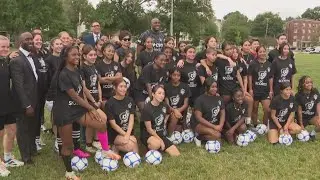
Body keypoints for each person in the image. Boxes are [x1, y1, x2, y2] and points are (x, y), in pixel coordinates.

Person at [52, 46, 120, 179]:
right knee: (68, 146)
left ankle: (105, 150)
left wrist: (93, 104)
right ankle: (69, 173)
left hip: (77, 109)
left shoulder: (76, 70)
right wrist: (90, 108)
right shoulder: (63, 74)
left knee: (101, 123)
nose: (77, 57)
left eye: (78, 55)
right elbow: (74, 96)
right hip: (64, 112)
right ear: (66, 57)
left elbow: (83, 90)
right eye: (73, 55)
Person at [10, 32, 38, 164]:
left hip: (34, 99)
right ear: (21, 42)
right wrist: (27, 105)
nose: (31, 41)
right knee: (23, 130)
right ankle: (25, 157)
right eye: (27, 39)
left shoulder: (31, 56)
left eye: (31, 39)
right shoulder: (17, 60)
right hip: (24, 103)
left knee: (31, 127)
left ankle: (31, 149)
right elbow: (18, 86)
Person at [0, 35, 24, 176]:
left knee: (12, 130)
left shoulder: (5, 61)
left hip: (7, 103)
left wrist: (8, 56)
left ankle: (8, 158)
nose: (5, 49)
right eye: (2, 46)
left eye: (7, 46)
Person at [140, 85, 180, 156]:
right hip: (148, 134)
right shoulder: (147, 109)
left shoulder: (164, 105)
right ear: (153, 94)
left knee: (176, 154)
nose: (162, 95)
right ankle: (147, 148)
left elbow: (169, 112)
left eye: (163, 94)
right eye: (159, 93)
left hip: (160, 134)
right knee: (156, 144)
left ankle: (159, 145)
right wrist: (160, 140)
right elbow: (149, 129)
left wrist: (164, 121)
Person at [104, 79, 139, 153]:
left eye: (125, 87)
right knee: (129, 146)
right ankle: (115, 146)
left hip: (128, 131)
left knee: (133, 142)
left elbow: (131, 120)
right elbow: (113, 124)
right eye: (121, 86)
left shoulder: (130, 100)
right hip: (115, 133)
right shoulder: (110, 103)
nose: (123, 89)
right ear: (114, 88)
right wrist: (125, 135)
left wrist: (128, 134)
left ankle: (137, 160)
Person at [80, 45, 103, 153]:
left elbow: (98, 83)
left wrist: (100, 99)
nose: (93, 57)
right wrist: (92, 102)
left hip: (96, 99)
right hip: (88, 100)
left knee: (93, 122)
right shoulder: (82, 68)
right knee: (101, 119)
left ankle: (92, 143)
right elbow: (84, 88)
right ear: (84, 56)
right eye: (91, 55)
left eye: (94, 55)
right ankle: (96, 141)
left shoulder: (94, 66)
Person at [191, 78, 225, 147]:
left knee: (219, 141)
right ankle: (199, 137)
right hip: (199, 124)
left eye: (216, 87)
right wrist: (214, 127)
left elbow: (222, 113)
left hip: (213, 124)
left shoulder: (219, 98)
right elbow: (198, 118)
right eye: (212, 87)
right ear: (206, 87)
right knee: (217, 135)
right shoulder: (200, 100)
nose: (215, 89)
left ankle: (202, 136)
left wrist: (220, 125)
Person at [45, 37, 64, 152]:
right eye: (57, 44)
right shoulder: (48, 60)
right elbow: (47, 80)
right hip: (53, 93)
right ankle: (58, 141)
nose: (59, 46)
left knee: (62, 117)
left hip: (63, 92)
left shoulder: (63, 59)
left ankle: (63, 139)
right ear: (52, 46)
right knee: (56, 118)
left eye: (61, 44)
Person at [248, 46, 272, 126]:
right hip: (255, 90)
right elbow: (250, 76)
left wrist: (271, 90)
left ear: (266, 52)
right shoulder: (253, 64)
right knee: (254, 109)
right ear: (257, 53)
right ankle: (255, 125)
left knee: (267, 109)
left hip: (265, 90)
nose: (262, 53)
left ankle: (264, 126)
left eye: (263, 51)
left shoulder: (269, 64)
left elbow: (270, 78)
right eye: (260, 52)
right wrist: (250, 89)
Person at [32, 32, 48, 151]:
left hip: (43, 90)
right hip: (35, 91)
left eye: (40, 39)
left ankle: (37, 138)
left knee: (40, 116)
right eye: (36, 39)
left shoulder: (42, 54)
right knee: (35, 117)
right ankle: (33, 140)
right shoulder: (31, 55)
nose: (39, 41)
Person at [165, 68, 190, 134]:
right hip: (169, 111)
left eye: (178, 75)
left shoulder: (185, 86)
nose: (176, 77)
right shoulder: (166, 86)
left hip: (180, 112)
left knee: (178, 130)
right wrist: (174, 110)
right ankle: (169, 136)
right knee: (174, 116)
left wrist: (178, 110)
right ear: (170, 75)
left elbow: (186, 104)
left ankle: (173, 128)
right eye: (174, 75)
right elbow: (167, 104)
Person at [295, 76, 320, 140]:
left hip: (312, 117)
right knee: (297, 134)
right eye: (307, 82)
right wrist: (301, 124)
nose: (310, 84)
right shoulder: (298, 95)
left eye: (311, 82)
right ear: (302, 84)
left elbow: (318, 105)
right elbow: (299, 111)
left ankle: (312, 134)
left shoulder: (315, 92)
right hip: (302, 118)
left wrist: (319, 117)